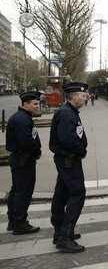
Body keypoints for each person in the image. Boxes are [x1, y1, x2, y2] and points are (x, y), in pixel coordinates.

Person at [49, 82, 88, 253]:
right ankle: (65, 236)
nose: (85, 98)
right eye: (83, 96)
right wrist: (80, 151)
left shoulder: (68, 112)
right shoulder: (66, 114)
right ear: (74, 97)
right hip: (69, 160)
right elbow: (67, 139)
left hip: (67, 160)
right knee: (78, 194)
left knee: (62, 194)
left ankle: (60, 232)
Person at [5, 91, 42, 235]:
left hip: (20, 159)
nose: (38, 106)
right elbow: (26, 141)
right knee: (23, 191)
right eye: (35, 104)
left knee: (17, 189)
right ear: (25, 104)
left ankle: (13, 221)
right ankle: (20, 223)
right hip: (23, 160)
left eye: (38, 103)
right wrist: (37, 151)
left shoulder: (22, 117)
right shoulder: (21, 119)